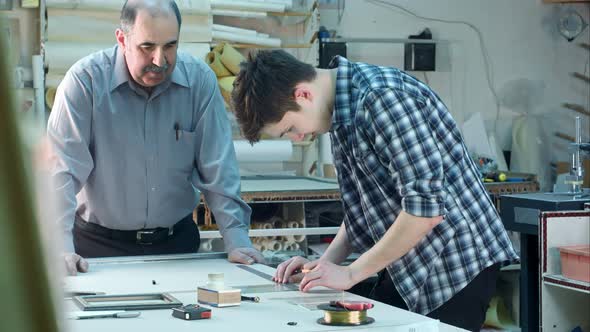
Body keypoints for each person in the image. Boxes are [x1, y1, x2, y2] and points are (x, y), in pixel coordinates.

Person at [230, 50, 519, 331]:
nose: (299, 137)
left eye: (290, 128)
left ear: (303, 94)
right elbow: (361, 209)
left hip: (455, 261)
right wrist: (322, 266)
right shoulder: (341, 114)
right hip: (409, 260)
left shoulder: (381, 99)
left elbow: (425, 211)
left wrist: (351, 273)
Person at [47, 0, 263, 276]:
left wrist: (237, 241)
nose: (160, 61)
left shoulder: (199, 82)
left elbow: (219, 167)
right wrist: (61, 249)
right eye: (147, 47)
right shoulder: (84, 83)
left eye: (170, 46)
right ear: (122, 39)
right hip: (97, 248)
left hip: (177, 245)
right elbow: (61, 173)